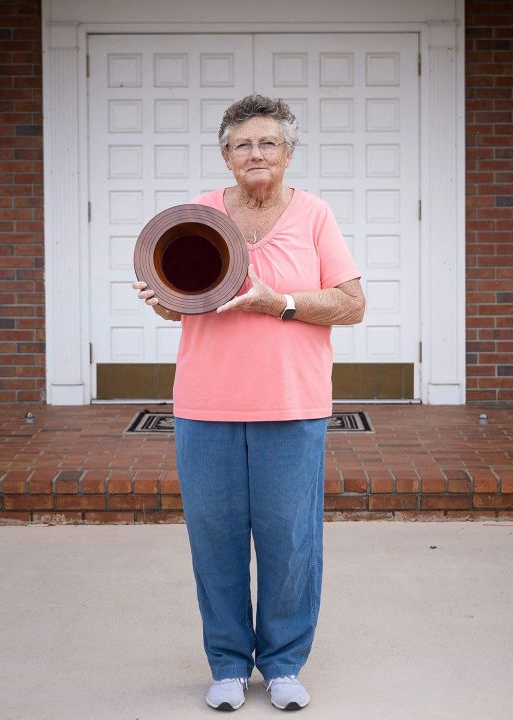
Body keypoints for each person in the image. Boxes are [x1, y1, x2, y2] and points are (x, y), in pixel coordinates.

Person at [132, 95, 365, 712]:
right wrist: (160, 298)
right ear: (225, 156)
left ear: (288, 154)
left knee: (290, 539)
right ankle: (229, 665)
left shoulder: (314, 216)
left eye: (267, 143)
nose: (255, 153)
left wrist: (278, 302)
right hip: (206, 404)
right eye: (242, 144)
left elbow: (351, 303)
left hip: (292, 404)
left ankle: (285, 664)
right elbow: (179, 292)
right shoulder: (198, 215)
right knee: (216, 538)